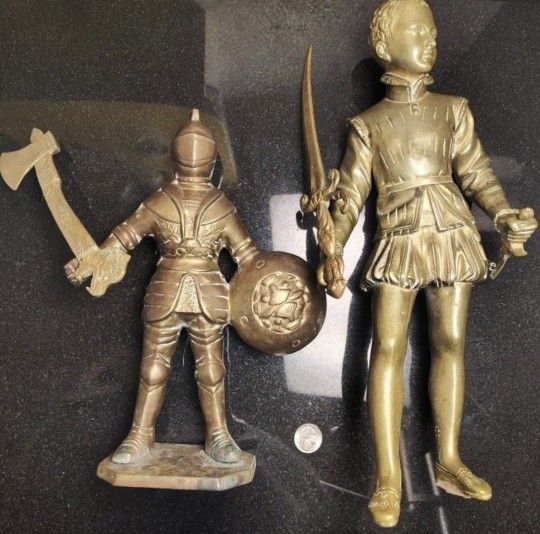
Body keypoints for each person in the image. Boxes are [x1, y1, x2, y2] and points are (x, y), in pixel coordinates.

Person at [317, 0, 537, 527]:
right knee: (387, 347)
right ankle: (388, 479)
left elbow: (476, 172)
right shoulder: (368, 125)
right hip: (399, 237)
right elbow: (350, 196)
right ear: (384, 45)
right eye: (417, 30)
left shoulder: (453, 109)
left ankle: (450, 459)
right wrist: (333, 247)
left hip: (452, 232)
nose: (430, 38)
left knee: (451, 341)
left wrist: (503, 212)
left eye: (432, 30)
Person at [66, 110, 258, 465]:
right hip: (177, 290)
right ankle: (140, 435)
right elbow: (124, 238)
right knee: (159, 368)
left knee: (207, 369)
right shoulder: (177, 201)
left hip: (199, 293)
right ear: (212, 159)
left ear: (175, 156)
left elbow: (250, 261)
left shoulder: (204, 203)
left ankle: (217, 434)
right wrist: (92, 263)